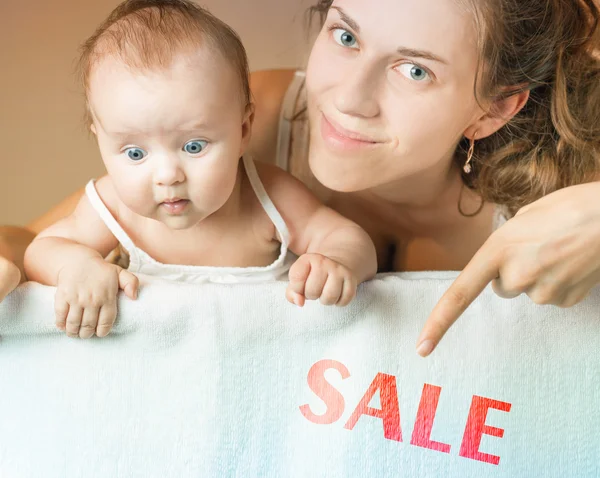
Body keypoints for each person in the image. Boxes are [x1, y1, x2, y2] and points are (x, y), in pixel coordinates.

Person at [2, 0, 600, 355]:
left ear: (492, 109)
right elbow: (32, 243)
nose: (346, 99)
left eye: (414, 70)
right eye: (345, 36)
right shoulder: (256, 119)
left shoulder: (569, 188)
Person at [22, 0, 377, 339]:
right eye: (134, 153)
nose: (167, 175)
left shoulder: (269, 196)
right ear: (99, 139)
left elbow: (349, 238)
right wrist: (77, 266)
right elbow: (43, 249)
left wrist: (336, 263)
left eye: (193, 146)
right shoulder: (113, 205)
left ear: (242, 130)